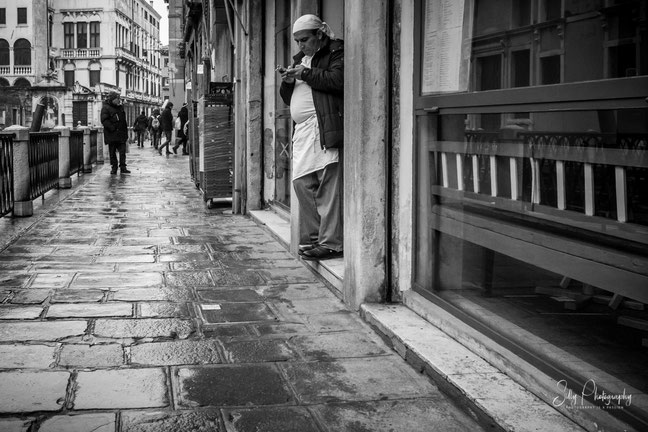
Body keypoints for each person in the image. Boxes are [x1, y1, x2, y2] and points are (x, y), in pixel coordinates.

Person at [279, 14, 343, 261]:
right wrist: (287, 82)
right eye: (297, 41)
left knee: (328, 187)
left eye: (304, 40)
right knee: (301, 183)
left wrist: (304, 74)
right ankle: (315, 237)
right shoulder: (300, 60)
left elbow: (337, 81)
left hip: (325, 126)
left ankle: (331, 243)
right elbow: (289, 98)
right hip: (304, 131)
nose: (300, 46)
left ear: (319, 35)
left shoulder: (336, 52)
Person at [100, 91, 130, 174]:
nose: (119, 100)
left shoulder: (120, 107)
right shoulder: (106, 108)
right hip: (112, 134)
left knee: (122, 152)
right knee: (112, 153)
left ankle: (123, 167)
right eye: (117, 99)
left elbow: (123, 121)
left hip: (121, 134)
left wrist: (125, 133)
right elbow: (104, 120)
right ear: (113, 99)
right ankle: (114, 167)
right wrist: (112, 128)